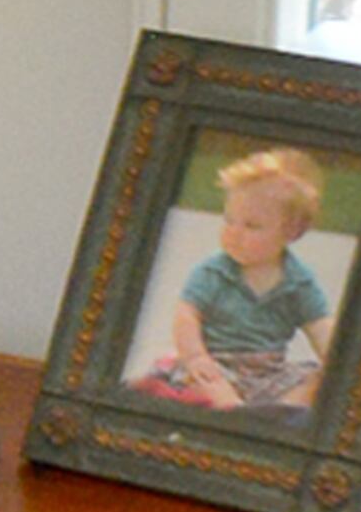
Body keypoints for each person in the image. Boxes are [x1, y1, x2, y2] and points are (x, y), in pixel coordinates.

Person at [132, 144, 333, 411]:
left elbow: (321, 327)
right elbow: (187, 315)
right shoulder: (214, 272)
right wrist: (195, 357)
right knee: (201, 380)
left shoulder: (299, 283)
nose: (234, 232)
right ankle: (233, 410)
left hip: (268, 372)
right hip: (218, 361)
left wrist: (334, 363)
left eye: (251, 226)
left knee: (316, 379)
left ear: (291, 232)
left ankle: (278, 410)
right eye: (229, 220)